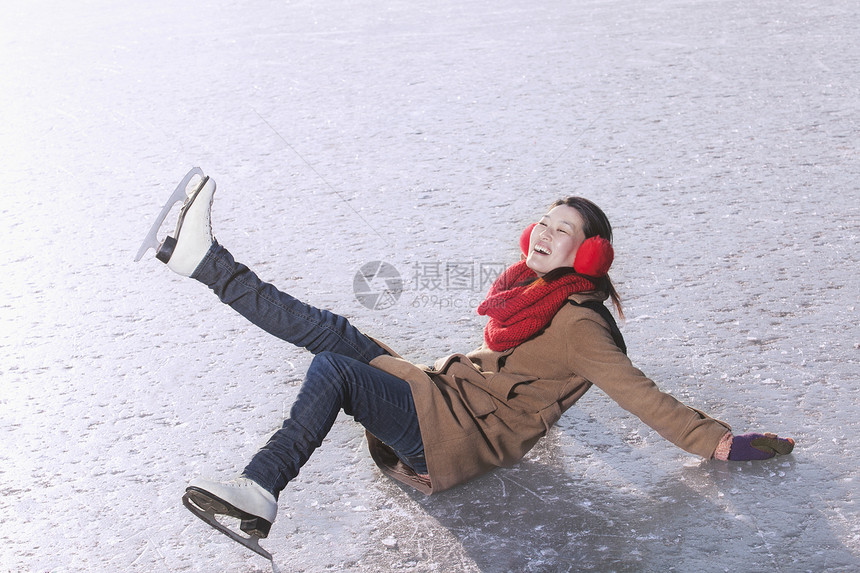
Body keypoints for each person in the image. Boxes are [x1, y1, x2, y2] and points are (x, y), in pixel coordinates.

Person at [148, 170, 794, 541]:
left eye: (562, 228)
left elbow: (636, 390)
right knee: (328, 330)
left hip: (447, 435)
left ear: (588, 254)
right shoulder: (529, 295)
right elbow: (531, 381)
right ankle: (204, 260)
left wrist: (719, 442)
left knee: (335, 367)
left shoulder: (579, 324)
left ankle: (260, 488)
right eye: (543, 219)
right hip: (440, 398)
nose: (543, 231)